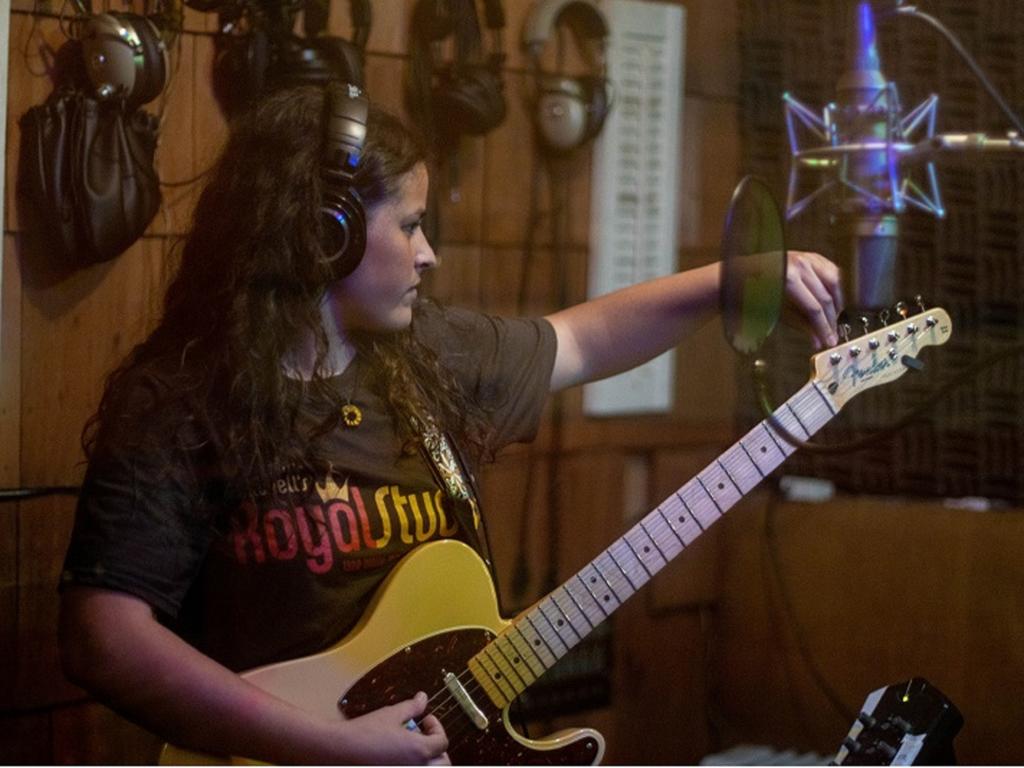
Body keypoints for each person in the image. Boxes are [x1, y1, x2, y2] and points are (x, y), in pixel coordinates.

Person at [58, 82, 843, 765]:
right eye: (408, 226)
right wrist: (329, 748)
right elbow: (105, 637)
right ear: (321, 233)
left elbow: (583, 339)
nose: (428, 254)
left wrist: (729, 280)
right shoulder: (181, 399)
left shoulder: (424, 352)